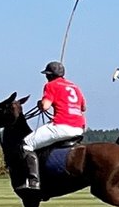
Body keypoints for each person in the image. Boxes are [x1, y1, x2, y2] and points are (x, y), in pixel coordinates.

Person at [23, 61, 86, 191]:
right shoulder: (74, 87)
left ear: (50, 75)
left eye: (47, 75)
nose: (46, 77)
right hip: (79, 127)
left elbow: (45, 106)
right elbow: (83, 107)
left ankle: (34, 180)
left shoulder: (50, 85)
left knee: (26, 144)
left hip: (62, 125)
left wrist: (41, 103)